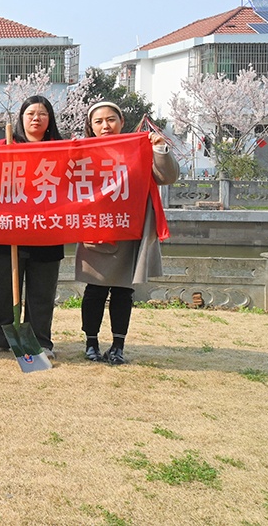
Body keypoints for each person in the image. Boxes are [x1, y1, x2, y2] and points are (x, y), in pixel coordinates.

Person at [76, 101, 179, 365]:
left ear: (122, 122)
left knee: (123, 291)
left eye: (111, 119)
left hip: (129, 228)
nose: (105, 126)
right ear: (91, 126)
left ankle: (118, 346)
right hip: (96, 227)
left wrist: (159, 149)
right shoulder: (82, 152)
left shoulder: (138, 148)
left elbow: (167, 177)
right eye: (98, 121)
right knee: (94, 290)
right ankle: (91, 343)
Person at [0, 95, 64, 358]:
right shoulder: (4, 146)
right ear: (21, 118)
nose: (36, 119)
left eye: (42, 114)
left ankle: (40, 341)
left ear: (50, 119)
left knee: (42, 292)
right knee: (3, 289)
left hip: (48, 230)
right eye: (30, 114)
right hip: (9, 229)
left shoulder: (62, 149)